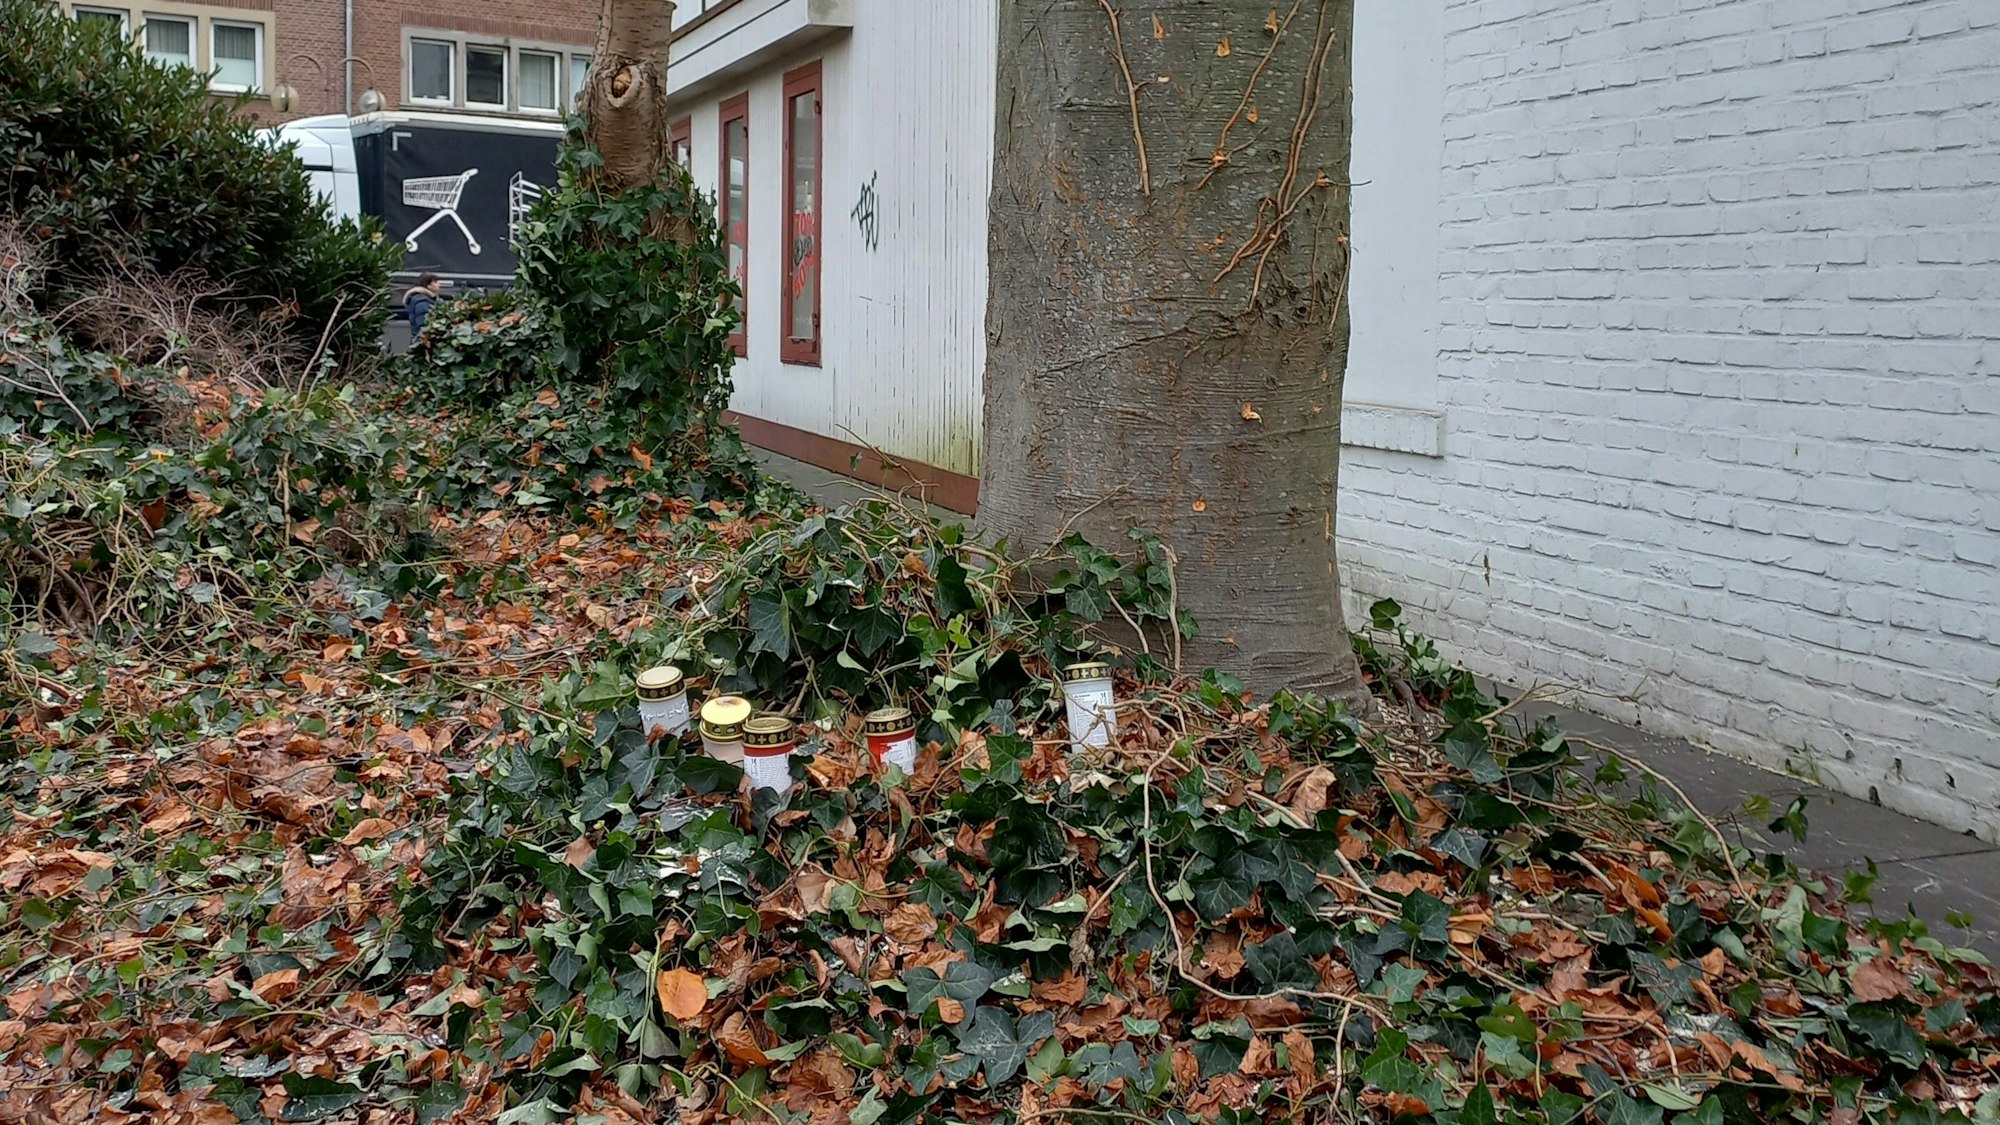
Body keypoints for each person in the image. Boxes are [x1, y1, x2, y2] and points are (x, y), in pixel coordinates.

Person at [403, 274, 441, 338]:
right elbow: (423, 325)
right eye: (435, 282)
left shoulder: (421, 299)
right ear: (428, 285)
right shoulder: (422, 302)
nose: (439, 285)